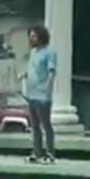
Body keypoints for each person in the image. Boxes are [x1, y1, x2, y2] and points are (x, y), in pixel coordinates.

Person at [24, 24, 57, 164]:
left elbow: (51, 72)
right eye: (30, 36)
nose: (31, 39)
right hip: (31, 94)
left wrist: (48, 90)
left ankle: (50, 153)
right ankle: (36, 152)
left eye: (34, 36)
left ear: (41, 37)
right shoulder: (33, 53)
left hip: (42, 94)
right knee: (35, 125)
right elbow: (31, 69)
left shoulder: (49, 53)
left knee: (45, 124)